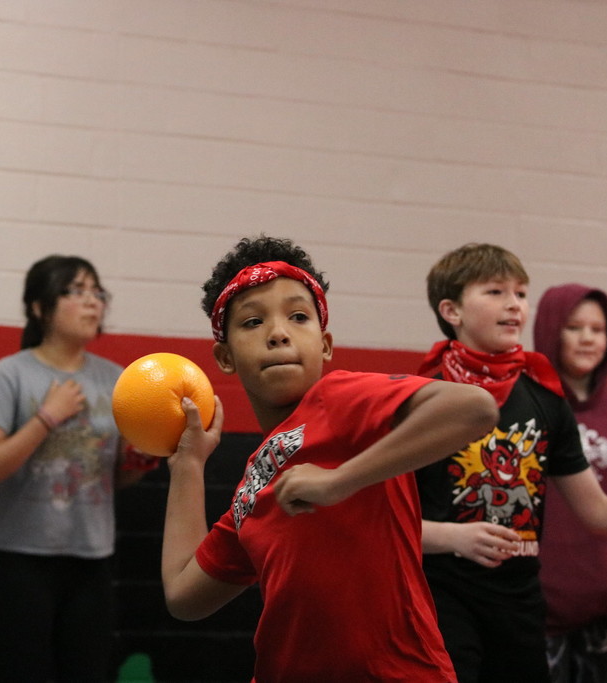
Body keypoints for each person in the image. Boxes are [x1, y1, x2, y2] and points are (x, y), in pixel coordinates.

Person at [160, 235, 500, 682]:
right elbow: (185, 595)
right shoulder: (253, 484)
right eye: (252, 322)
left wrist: (341, 480)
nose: (278, 332)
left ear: (324, 345)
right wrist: (188, 463)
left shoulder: (340, 396)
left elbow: (474, 408)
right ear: (225, 357)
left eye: (298, 317)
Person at [416, 242, 607, 683]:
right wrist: (451, 536)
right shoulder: (420, 395)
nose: (514, 304)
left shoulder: (546, 400)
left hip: (520, 599)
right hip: (440, 595)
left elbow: (597, 511)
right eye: (495, 292)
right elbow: (379, 518)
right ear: (451, 311)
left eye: (521, 293)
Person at [0, 255, 155, 683]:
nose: (92, 303)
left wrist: (140, 461)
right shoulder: (10, 375)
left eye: (97, 292)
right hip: (19, 559)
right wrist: (46, 418)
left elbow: (118, 477)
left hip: (91, 559)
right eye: (76, 291)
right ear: (39, 307)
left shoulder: (116, 379)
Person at [533, 284, 607, 683]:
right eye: (574, 327)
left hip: (603, 607)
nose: (587, 338)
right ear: (552, 331)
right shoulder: (527, 404)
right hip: (530, 607)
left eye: (598, 329)